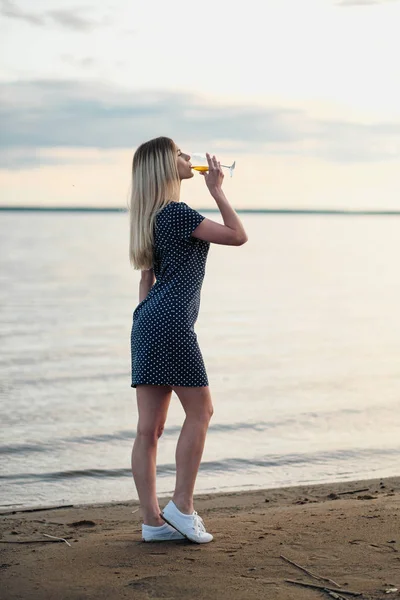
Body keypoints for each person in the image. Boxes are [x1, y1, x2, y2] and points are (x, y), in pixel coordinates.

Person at [128, 136, 248, 544]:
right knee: (202, 410)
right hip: (172, 323)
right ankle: (182, 506)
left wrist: (146, 321)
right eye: (179, 153)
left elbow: (147, 279)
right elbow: (236, 235)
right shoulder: (177, 213)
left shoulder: (149, 217)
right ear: (165, 165)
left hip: (146, 321)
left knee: (149, 430)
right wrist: (217, 190)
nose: (186, 158)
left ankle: (152, 523)